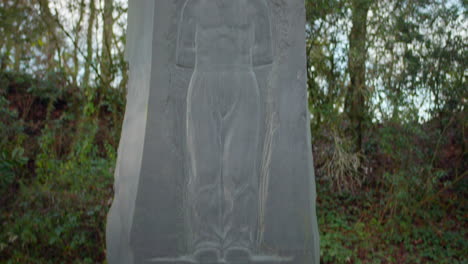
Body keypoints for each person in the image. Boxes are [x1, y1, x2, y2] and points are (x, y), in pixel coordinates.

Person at [176, 0, 273, 261]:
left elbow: (265, 53)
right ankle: (204, 239)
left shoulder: (257, 6)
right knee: (204, 167)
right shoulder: (193, 6)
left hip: (242, 80)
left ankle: (239, 240)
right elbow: (183, 54)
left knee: (240, 168)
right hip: (203, 81)